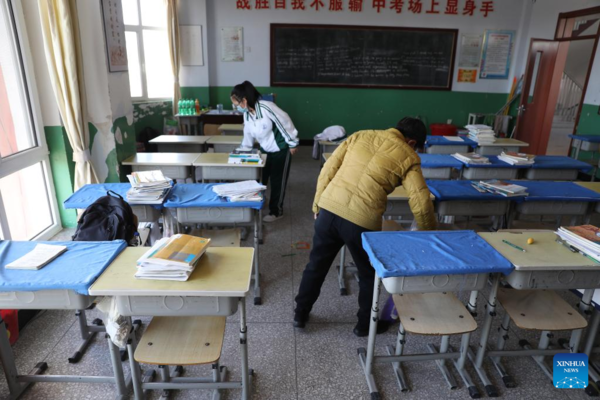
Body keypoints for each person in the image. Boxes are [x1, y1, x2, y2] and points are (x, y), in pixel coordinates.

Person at [294, 117, 437, 337]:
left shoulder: (360, 134)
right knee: (368, 274)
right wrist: (429, 234)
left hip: (329, 210)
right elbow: (421, 201)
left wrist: (317, 204)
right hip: (361, 221)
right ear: (411, 142)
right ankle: (364, 326)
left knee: (316, 265)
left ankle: (300, 314)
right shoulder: (409, 156)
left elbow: (328, 169)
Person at [231, 81, 299, 222]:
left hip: (281, 148)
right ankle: (262, 201)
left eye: (236, 103)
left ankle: (276, 211)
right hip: (265, 150)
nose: (236, 107)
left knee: (277, 181)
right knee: (260, 178)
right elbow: (248, 134)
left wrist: (292, 143)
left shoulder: (267, 107)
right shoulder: (248, 114)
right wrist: (243, 150)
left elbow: (285, 122)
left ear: (244, 100)